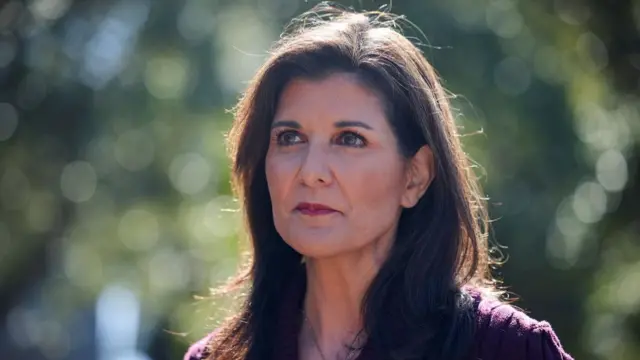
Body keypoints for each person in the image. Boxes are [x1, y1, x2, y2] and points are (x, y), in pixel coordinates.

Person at [184, 4, 574, 360]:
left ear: (415, 176)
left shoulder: (505, 348)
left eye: (350, 139)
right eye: (290, 137)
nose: (310, 170)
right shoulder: (216, 356)